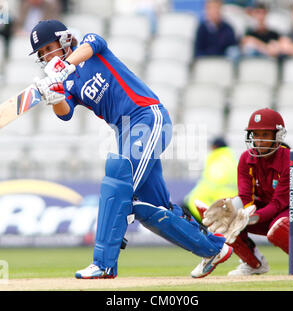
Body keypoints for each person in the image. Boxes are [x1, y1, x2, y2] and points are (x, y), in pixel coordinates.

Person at [29, 20, 232, 279]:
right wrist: (55, 98)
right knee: (151, 207)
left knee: (117, 184)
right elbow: (65, 114)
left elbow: (94, 44)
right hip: (125, 134)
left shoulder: (90, 46)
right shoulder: (68, 83)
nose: (46, 56)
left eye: (48, 47)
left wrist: (65, 66)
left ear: (64, 39)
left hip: (147, 116)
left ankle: (103, 264)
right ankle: (213, 248)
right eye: (41, 53)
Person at [192, 108, 293, 276]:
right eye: (256, 134)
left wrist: (247, 217)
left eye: (265, 134)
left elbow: (278, 203)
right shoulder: (246, 159)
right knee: (226, 219)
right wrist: (237, 213)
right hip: (266, 213)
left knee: (279, 228)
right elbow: (245, 197)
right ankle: (253, 264)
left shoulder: (291, 160)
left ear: (277, 136)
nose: (259, 140)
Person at [182, 137, 238, 223]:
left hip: (205, 208)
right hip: (226, 209)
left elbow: (210, 187)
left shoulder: (217, 162)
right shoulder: (233, 162)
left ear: (215, 147)